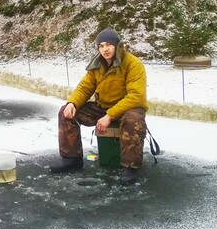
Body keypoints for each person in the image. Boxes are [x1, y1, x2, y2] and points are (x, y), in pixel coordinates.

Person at [50, 28, 148, 185]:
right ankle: (71, 159)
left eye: (108, 44)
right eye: (101, 46)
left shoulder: (133, 64)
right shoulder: (96, 65)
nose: (105, 49)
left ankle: (130, 167)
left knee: (133, 120)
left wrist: (110, 115)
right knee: (66, 112)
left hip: (128, 108)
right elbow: (84, 88)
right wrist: (72, 103)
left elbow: (136, 96)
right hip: (102, 106)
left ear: (117, 45)